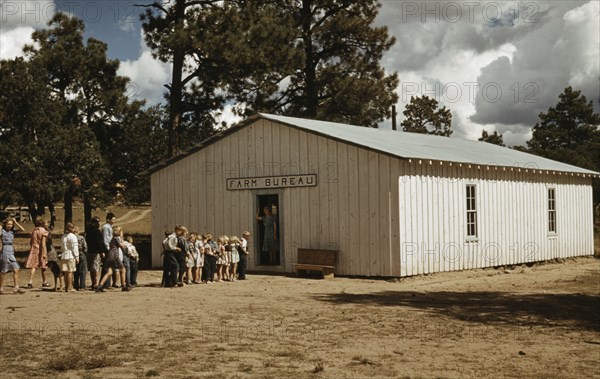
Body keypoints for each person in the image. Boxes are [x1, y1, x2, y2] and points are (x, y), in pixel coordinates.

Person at [96, 226, 129, 292]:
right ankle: (124, 286)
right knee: (123, 269)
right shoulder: (116, 238)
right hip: (115, 256)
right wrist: (122, 238)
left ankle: (100, 285)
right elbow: (122, 246)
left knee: (110, 272)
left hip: (110, 256)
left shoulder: (112, 238)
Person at [0, 218, 26, 294]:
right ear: (5, 224)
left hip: (11, 249)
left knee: (16, 268)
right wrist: (1, 227)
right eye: (8, 224)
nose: (9, 226)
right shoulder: (2, 231)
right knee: (4, 270)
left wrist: (16, 222)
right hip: (5, 249)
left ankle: (16, 287)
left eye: (11, 224)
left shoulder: (12, 231)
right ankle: (1, 288)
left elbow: (23, 229)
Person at [25, 216, 50, 288]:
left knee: (34, 266)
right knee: (43, 266)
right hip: (41, 250)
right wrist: (44, 252)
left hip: (34, 249)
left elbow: (31, 241)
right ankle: (44, 281)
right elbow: (43, 243)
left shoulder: (34, 230)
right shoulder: (44, 231)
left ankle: (30, 281)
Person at [85, 216, 106, 290]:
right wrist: (102, 251)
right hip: (96, 252)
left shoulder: (88, 231)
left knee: (91, 268)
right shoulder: (97, 231)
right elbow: (99, 243)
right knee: (96, 267)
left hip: (90, 251)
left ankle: (93, 282)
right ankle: (96, 283)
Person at [60, 223, 79, 292]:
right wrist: (77, 256)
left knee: (65, 272)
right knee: (70, 271)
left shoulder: (63, 236)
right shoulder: (73, 236)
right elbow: (75, 247)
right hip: (71, 255)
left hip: (64, 255)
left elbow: (62, 247)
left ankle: (66, 287)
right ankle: (70, 287)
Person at [101, 212, 116, 287]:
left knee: (110, 265)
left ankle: (107, 283)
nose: (114, 221)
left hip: (111, 248)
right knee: (107, 266)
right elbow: (106, 239)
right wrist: (108, 248)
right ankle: (105, 283)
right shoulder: (106, 227)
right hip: (108, 248)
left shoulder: (110, 227)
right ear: (108, 219)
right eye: (113, 219)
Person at [73, 226, 88, 291]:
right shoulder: (81, 238)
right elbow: (85, 246)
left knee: (75, 271)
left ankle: (76, 285)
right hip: (81, 254)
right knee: (83, 271)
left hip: (74, 255)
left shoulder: (72, 237)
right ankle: (82, 285)